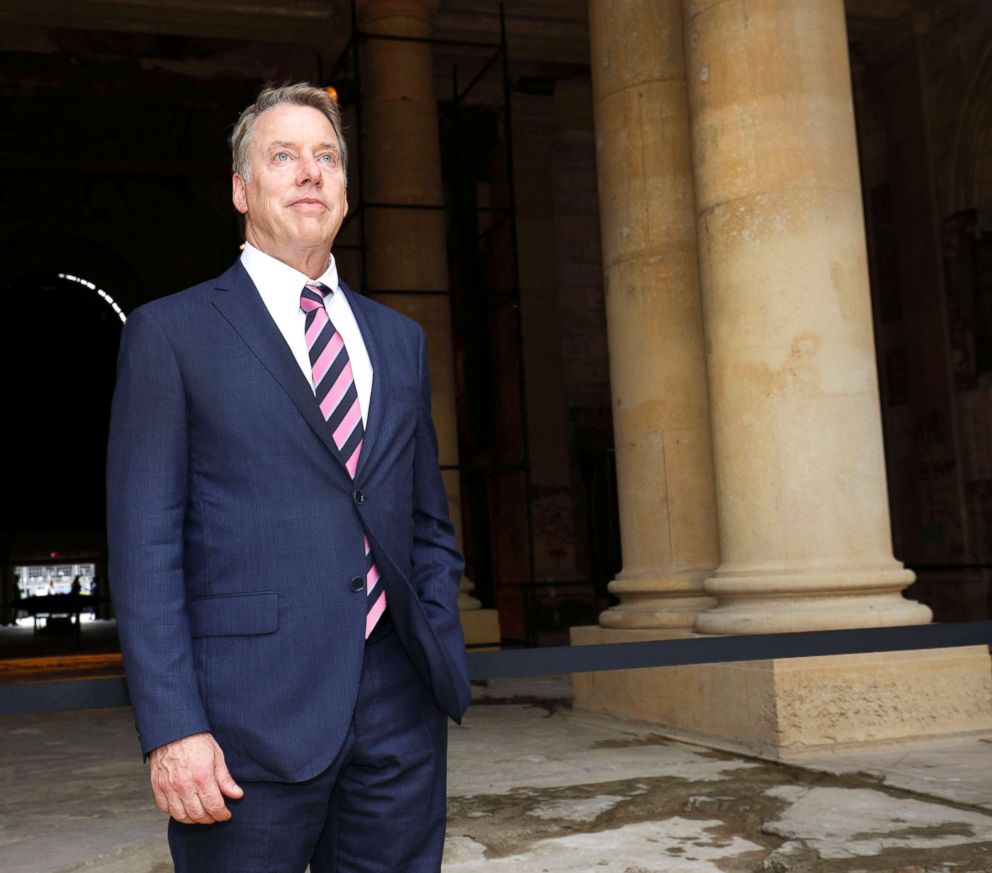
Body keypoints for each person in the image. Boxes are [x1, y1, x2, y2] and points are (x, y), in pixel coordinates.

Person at [106, 82, 471, 873]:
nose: (310, 172)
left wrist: (435, 640)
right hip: (243, 725)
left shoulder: (398, 340)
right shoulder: (171, 334)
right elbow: (145, 546)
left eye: (326, 157)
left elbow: (425, 518)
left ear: (344, 188)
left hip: (398, 709)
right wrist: (172, 727)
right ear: (242, 190)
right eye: (283, 156)